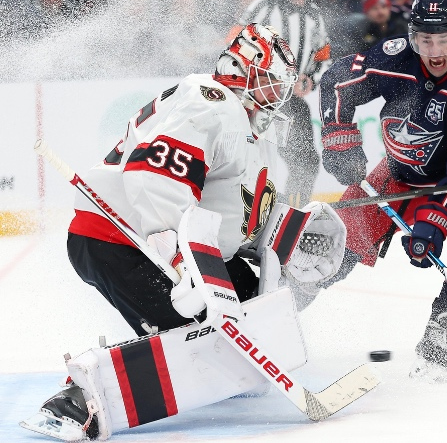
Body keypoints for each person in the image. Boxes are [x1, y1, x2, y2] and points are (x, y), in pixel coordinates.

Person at [21, 23, 348, 439]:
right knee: (195, 337)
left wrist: (284, 233)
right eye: (270, 82)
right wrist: (181, 260)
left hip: (167, 246)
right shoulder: (210, 104)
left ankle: (207, 354)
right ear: (242, 74)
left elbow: (232, 212)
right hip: (121, 241)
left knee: (258, 310)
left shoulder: (242, 124)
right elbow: (154, 179)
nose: (278, 94)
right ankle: (78, 399)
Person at [318, 0, 447, 376]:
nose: (436, 50)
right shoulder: (393, 57)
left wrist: (433, 219)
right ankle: (281, 306)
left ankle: (441, 331)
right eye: (426, 39)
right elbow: (337, 82)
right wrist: (339, 138)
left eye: (445, 38)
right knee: (328, 248)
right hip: (393, 178)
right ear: (413, 36)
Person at [235, 0, 333, 207]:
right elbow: (236, 48)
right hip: (255, 100)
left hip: (290, 102)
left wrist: (311, 78)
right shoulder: (263, 7)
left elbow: (323, 57)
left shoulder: (314, 16)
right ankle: (248, 214)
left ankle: (289, 213)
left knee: (307, 162)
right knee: (249, 161)